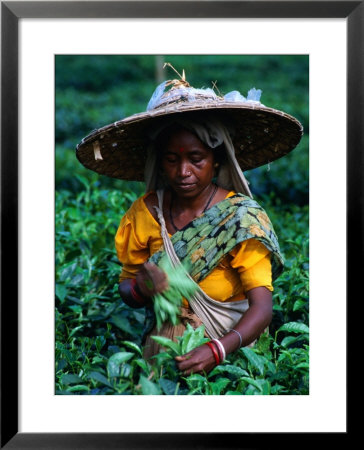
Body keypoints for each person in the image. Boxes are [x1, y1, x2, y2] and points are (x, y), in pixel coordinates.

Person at [76, 69, 303, 376]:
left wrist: (216, 350)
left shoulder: (241, 219)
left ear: (216, 160)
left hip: (233, 356)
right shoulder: (145, 213)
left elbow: (262, 309)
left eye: (196, 159)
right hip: (163, 352)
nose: (183, 171)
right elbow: (127, 289)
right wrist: (142, 288)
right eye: (172, 159)